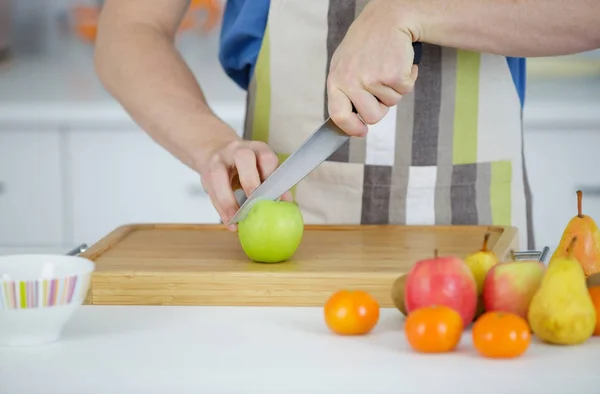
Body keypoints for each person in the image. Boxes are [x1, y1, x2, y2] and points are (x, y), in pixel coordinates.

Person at [94, 0, 600, 251]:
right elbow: (130, 28)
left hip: (477, 247)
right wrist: (210, 146)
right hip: (289, 240)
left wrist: (408, 10)